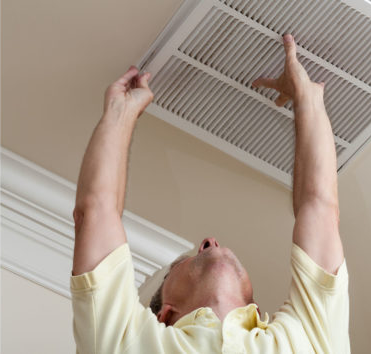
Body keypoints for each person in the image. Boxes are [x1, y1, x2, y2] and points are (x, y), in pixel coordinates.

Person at [70, 34, 350, 353]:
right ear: (166, 314)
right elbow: (321, 209)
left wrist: (119, 113)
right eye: (187, 260)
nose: (210, 242)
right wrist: (305, 98)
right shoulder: (307, 340)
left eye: (187, 257)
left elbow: (94, 213)